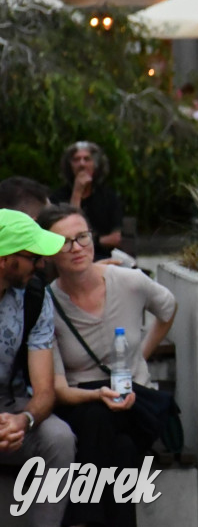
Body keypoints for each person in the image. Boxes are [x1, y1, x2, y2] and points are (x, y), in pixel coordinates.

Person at [37, 203, 178, 527]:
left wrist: (140, 354)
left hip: (135, 401)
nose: (77, 248)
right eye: (64, 242)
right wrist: (97, 394)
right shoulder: (46, 303)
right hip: (82, 405)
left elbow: (168, 309)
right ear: (47, 253)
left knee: (108, 429)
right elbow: (59, 390)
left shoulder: (129, 281)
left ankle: (81, 522)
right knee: (119, 444)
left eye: (82, 236)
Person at [0, 209, 76, 527]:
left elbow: (44, 390)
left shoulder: (34, 296)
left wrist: (24, 420)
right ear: (5, 259)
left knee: (59, 438)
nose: (41, 264)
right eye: (33, 256)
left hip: (9, 404)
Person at [52, 140, 124, 261]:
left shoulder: (108, 197)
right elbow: (68, 234)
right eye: (76, 159)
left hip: (103, 259)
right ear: (70, 166)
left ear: (95, 165)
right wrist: (77, 193)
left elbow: (115, 238)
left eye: (87, 159)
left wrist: (90, 241)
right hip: (71, 258)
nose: (82, 164)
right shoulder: (58, 198)